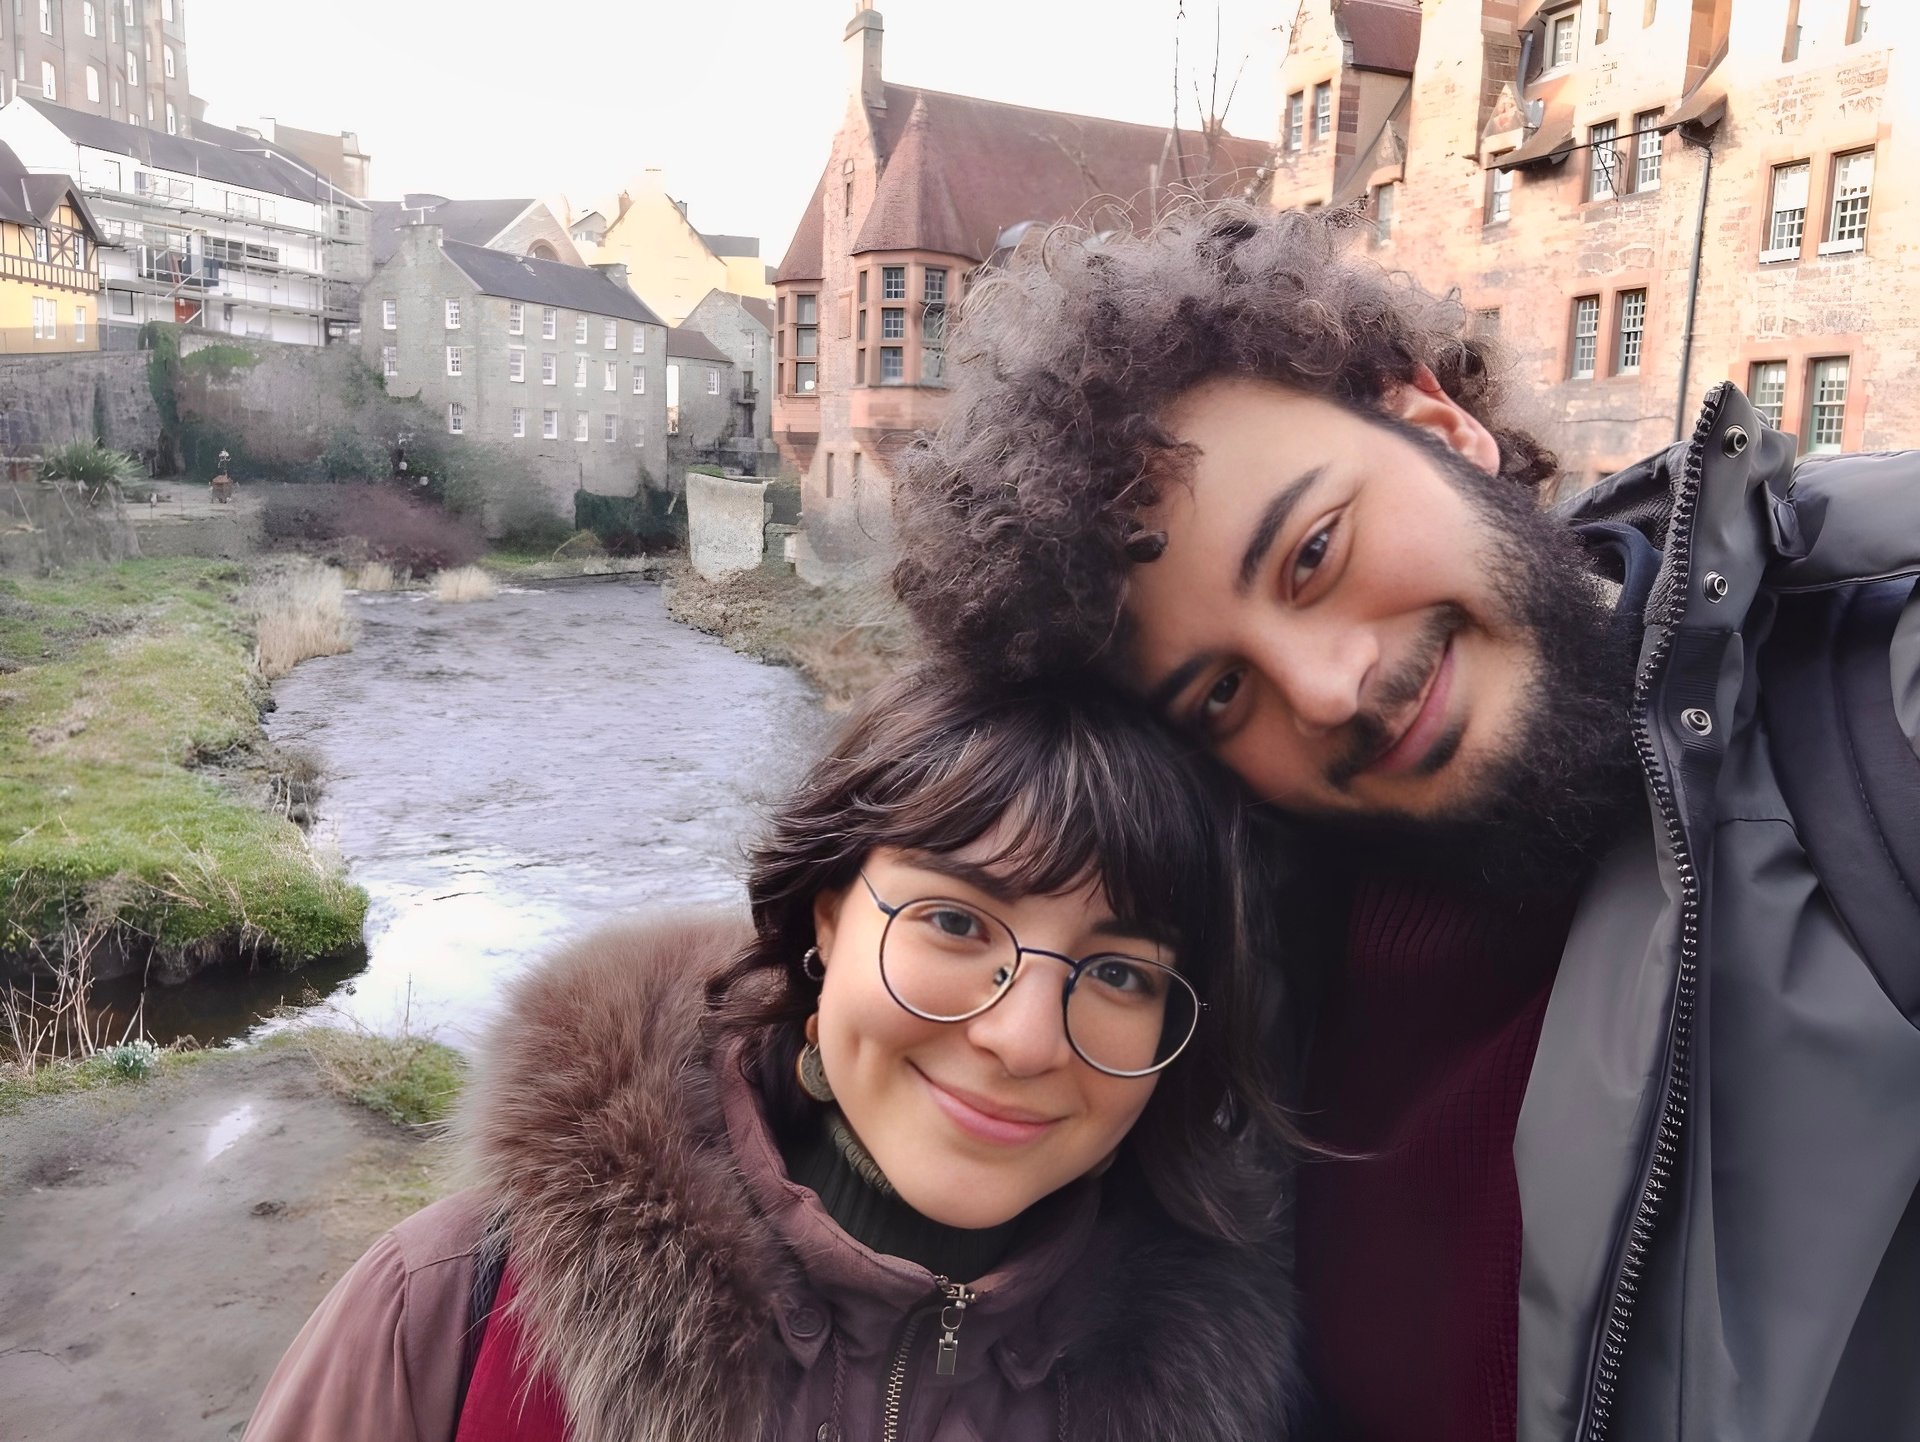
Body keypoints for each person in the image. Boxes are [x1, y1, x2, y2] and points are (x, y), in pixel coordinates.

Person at [892, 202, 1920, 1442]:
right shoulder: (1235, 986)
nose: (1329, 689)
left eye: (1315, 550)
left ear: (1441, 424)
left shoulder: (1881, 700)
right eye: (1221, 690)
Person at [244, 672, 1304, 1442]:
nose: (1020, 1036)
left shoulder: (1229, 1397)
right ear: (830, 920)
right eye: (955, 922)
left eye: (1120, 974)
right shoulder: (451, 1314)